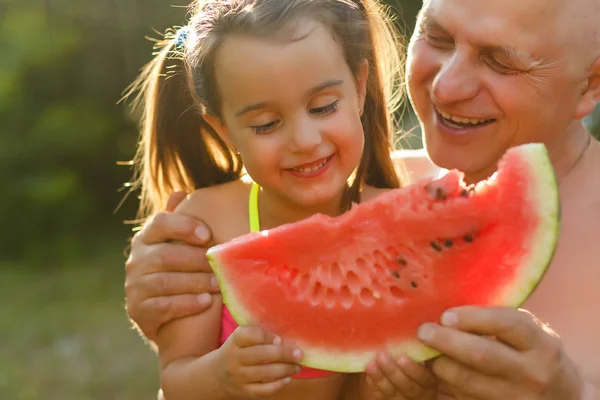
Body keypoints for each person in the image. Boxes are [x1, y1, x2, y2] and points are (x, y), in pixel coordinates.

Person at [124, 0, 600, 398]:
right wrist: (164, 316)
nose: (447, 87)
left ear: (592, 85)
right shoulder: (381, 192)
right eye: (437, 37)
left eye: (501, 61)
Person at [123, 0, 438, 398]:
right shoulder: (207, 225)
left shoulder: (399, 222)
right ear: (224, 132)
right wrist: (222, 375)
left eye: (323, 107)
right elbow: (176, 379)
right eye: (266, 124)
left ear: (359, 89)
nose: (304, 141)